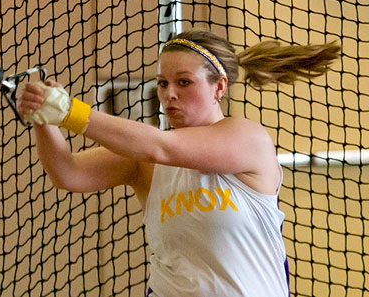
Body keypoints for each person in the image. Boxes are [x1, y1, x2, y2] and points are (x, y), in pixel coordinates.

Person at [17, 30, 340, 297]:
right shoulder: (146, 159)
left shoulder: (247, 139)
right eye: (162, 83)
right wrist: (44, 118)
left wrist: (71, 112)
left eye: (184, 82)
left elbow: (162, 147)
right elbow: (68, 173)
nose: (169, 93)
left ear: (220, 87)